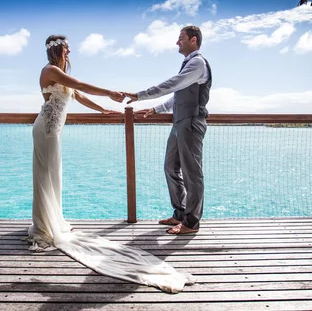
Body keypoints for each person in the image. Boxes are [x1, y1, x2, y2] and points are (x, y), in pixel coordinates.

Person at [26, 34, 195, 293]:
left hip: (54, 131)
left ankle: (54, 220)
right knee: (45, 175)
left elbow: (79, 96)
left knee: (54, 175)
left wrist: (102, 110)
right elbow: (80, 84)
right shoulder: (50, 71)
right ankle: (44, 226)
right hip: (45, 129)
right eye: (67, 49)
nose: (69, 52)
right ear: (58, 49)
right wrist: (109, 93)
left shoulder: (59, 73)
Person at [125, 26, 211, 235]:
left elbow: (173, 84)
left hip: (191, 122)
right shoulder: (188, 64)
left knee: (192, 174)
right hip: (179, 123)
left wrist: (140, 95)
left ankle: (191, 222)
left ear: (193, 39)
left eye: (180, 38)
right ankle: (180, 212)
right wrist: (156, 109)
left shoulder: (198, 63)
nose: (177, 42)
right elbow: (178, 95)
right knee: (170, 167)